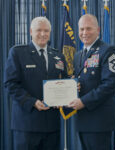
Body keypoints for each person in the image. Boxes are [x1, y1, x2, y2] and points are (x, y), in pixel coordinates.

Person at [4, 16, 67, 150]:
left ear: (50, 33)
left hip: (52, 125)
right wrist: (32, 101)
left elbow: (64, 81)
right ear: (30, 31)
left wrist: (66, 94)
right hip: (26, 124)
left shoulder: (58, 56)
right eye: (39, 30)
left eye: (46, 31)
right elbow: (10, 84)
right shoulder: (18, 52)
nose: (43, 34)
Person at [68, 14, 115, 150]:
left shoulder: (109, 51)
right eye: (81, 29)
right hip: (83, 119)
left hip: (100, 121)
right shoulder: (78, 55)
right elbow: (81, 80)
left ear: (98, 30)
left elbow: (110, 85)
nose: (84, 33)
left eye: (88, 29)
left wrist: (84, 101)